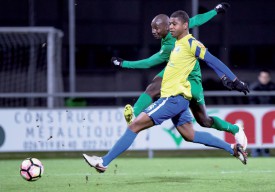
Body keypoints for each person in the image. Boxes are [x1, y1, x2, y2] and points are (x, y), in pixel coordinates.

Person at [83, 10, 248, 173]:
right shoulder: (175, 44)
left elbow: (213, 60)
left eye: (173, 24)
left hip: (174, 98)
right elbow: (195, 21)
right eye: (169, 24)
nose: (170, 27)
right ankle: (233, 148)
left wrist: (233, 79)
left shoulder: (191, 44)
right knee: (190, 135)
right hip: (179, 97)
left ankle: (103, 161)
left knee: (135, 126)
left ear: (185, 26)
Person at [111, 3, 249, 149]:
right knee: (153, 86)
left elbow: (150, 62)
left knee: (205, 121)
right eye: (152, 27)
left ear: (170, 27)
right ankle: (134, 113)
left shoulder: (178, 42)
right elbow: (195, 20)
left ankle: (235, 129)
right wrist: (215, 11)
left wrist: (124, 64)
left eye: (156, 28)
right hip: (177, 76)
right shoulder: (171, 39)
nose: (153, 31)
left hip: (192, 80)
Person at [249, 69, 275, 157]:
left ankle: (266, 153)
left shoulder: (273, 87)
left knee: (267, 135)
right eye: (263, 77)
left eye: (266, 77)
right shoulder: (254, 87)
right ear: (259, 77)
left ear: (269, 78)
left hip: (269, 116)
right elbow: (251, 101)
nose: (264, 79)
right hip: (256, 115)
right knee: (255, 134)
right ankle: (255, 153)